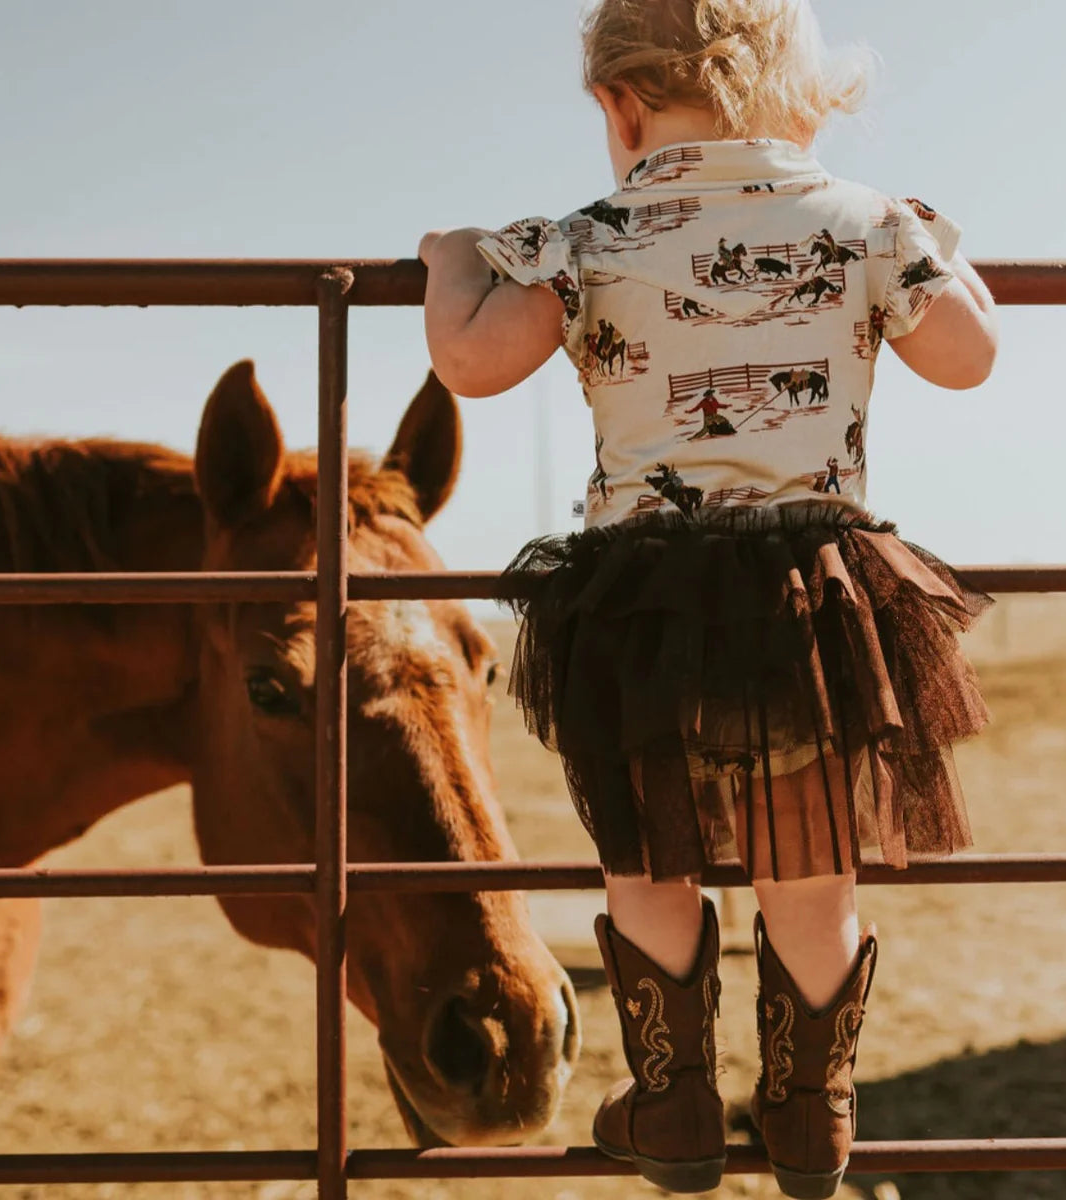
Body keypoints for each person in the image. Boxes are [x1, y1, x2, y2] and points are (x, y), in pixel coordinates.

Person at [419, 2, 998, 1195]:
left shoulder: (589, 233)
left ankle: (673, 1105)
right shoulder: (865, 223)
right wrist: (937, 243)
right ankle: (809, 1115)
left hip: (641, 606)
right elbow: (968, 354)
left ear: (616, 107)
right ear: (803, 99)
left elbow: (471, 365)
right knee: (808, 873)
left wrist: (451, 261)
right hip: (808, 600)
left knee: (647, 857)